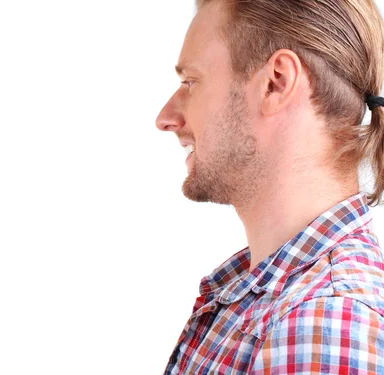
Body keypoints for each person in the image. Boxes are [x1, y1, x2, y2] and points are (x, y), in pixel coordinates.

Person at [155, 0, 384, 374]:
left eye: (190, 82)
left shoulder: (324, 324)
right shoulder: (262, 295)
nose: (165, 118)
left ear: (276, 82)